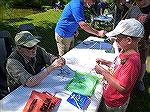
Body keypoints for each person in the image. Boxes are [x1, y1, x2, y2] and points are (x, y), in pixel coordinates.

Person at [95, 18, 144, 112]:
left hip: (114, 104)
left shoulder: (132, 62)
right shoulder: (124, 51)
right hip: (110, 96)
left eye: (117, 39)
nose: (116, 41)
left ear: (128, 40)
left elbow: (123, 88)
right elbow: (117, 66)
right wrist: (106, 62)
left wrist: (103, 72)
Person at [126, 0, 150, 91]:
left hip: (143, 42)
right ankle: (128, 77)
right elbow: (126, 23)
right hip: (130, 41)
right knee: (128, 60)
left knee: (142, 61)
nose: (139, 2)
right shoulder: (134, 9)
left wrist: (148, 42)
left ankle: (139, 80)